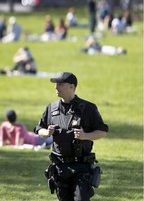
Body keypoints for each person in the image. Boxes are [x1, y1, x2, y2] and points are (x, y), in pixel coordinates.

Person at [34, 72, 108, 200]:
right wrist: (46, 133)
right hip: (60, 167)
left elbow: (102, 131)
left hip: (81, 166)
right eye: (56, 84)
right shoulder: (51, 109)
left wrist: (85, 135)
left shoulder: (88, 108)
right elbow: (39, 129)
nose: (56, 87)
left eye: (60, 84)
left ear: (72, 87)